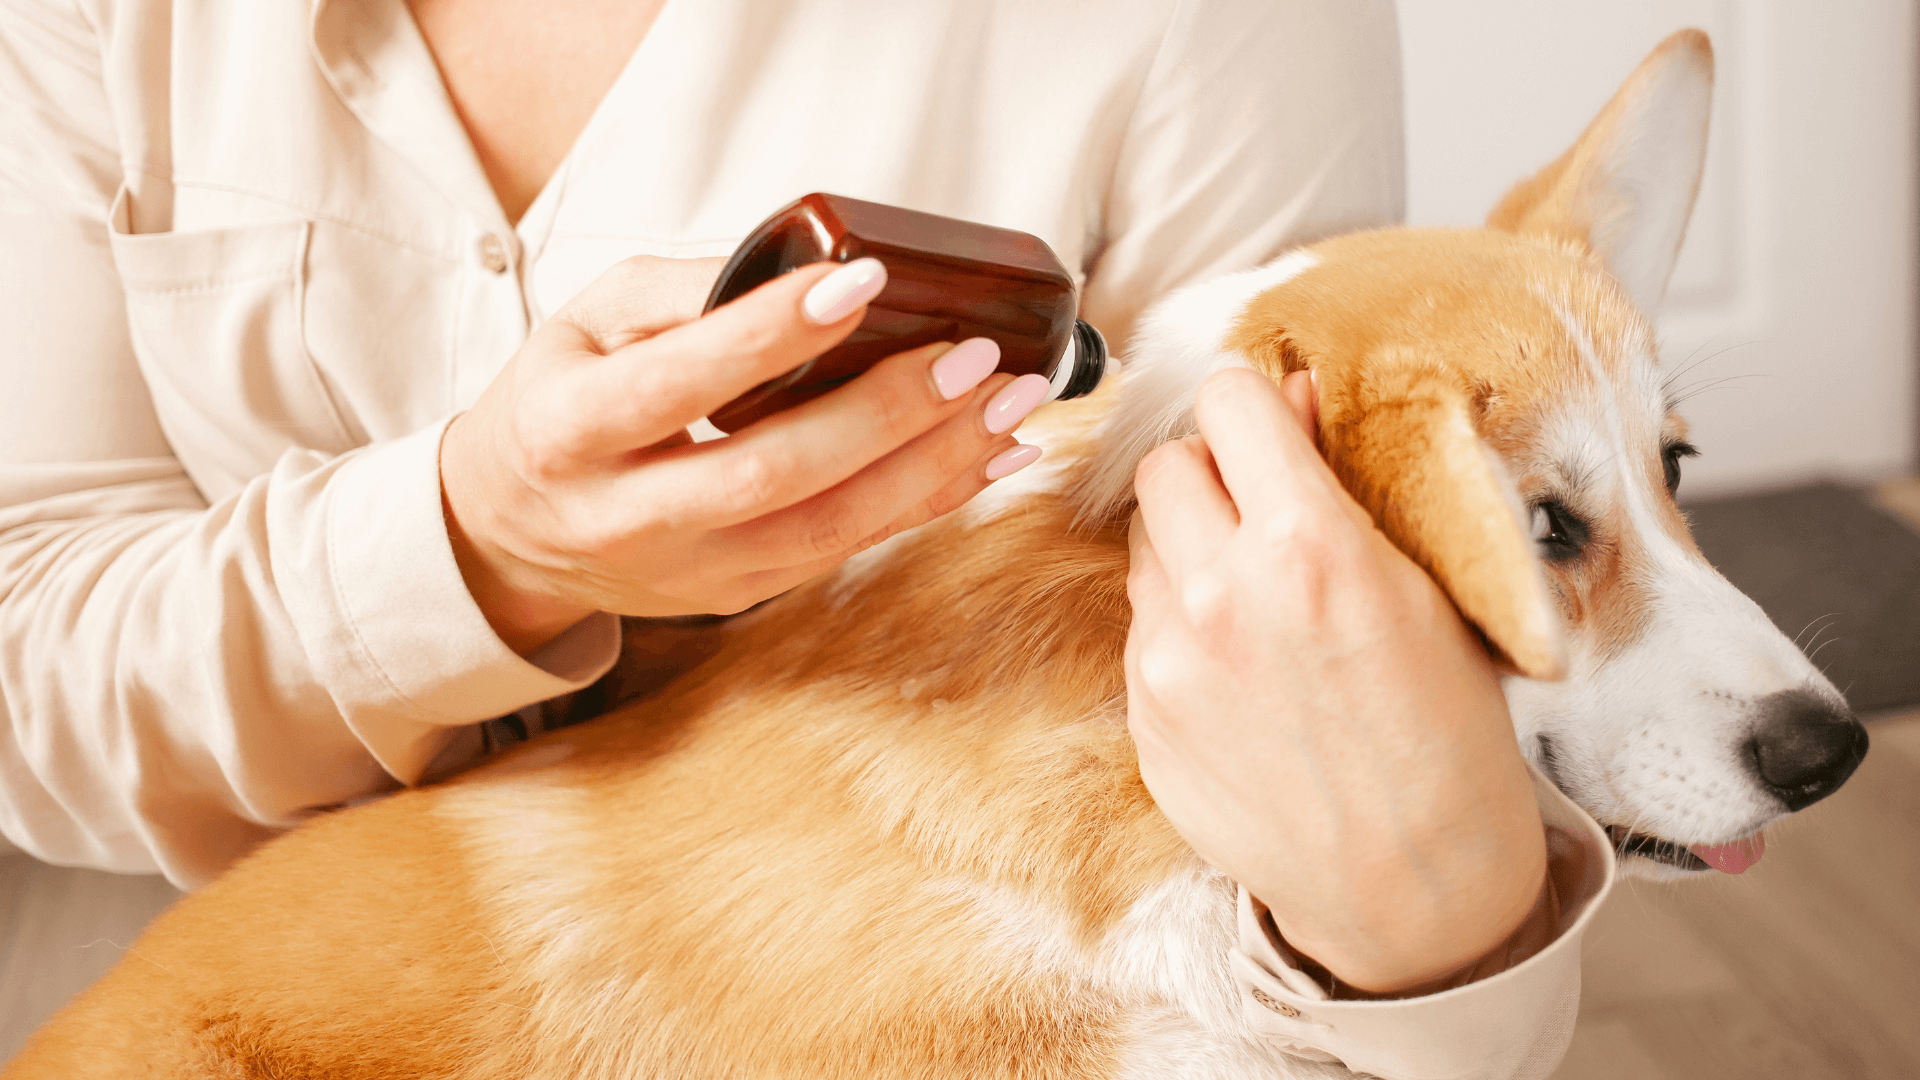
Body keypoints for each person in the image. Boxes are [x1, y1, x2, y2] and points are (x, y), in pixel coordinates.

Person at [0, 0, 1608, 1075]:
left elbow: (1315, 644)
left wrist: (1446, 929)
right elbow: (28, 658)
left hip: (973, 1007)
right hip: (302, 1006)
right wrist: (475, 543)